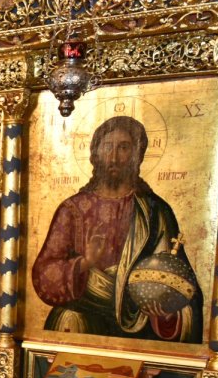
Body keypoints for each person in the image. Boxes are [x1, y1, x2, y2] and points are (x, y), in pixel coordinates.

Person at [32, 115, 203, 342]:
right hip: (83, 317)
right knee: (69, 319)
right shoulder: (73, 209)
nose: (113, 157)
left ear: (137, 155)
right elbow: (44, 272)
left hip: (140, 323)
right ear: (95, 154)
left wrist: (167, 307)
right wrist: (85, 263)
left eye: (123, 148)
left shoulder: (155, 212)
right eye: (107, 147)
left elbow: (179, 281)